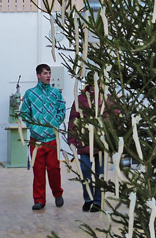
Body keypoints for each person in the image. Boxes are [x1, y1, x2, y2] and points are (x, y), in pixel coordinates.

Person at [20, 63, 66, 211]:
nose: (48, 76)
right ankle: (39, 200)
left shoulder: (55, 93)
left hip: (52, 138)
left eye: (49, 73)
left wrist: (56, 122)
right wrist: (33, 126)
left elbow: (62, 109)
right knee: (38, 171)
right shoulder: (30, 94)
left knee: (54, 169)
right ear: (38, 76)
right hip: (36, 140)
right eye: (45, 73)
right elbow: (25, 113)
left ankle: (58, 193)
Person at [66, 76, 105, 213]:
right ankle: (88, 199)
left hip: (102, 144)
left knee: (100, 174)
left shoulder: (106, 98)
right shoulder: (80, 99)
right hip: (84, 142)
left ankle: (98, 202)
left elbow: (113, 117)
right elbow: (73, 120)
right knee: (85, 171)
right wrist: (71, 139)